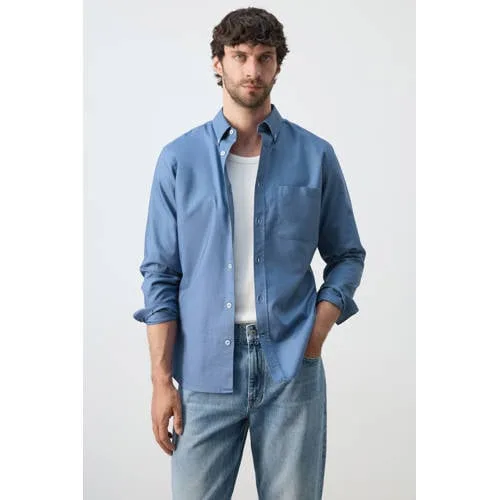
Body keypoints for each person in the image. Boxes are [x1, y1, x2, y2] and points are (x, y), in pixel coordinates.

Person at [133, 7, 366, 499]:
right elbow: (160, 275)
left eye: (264, 57)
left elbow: (347, 253)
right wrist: (160, 381)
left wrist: (317, 331)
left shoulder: (315, 156)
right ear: (218, 63)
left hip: (291, 365)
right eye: (239, 56)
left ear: (278, 65)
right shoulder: (179, 160)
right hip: (203, 369)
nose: (252, 70)